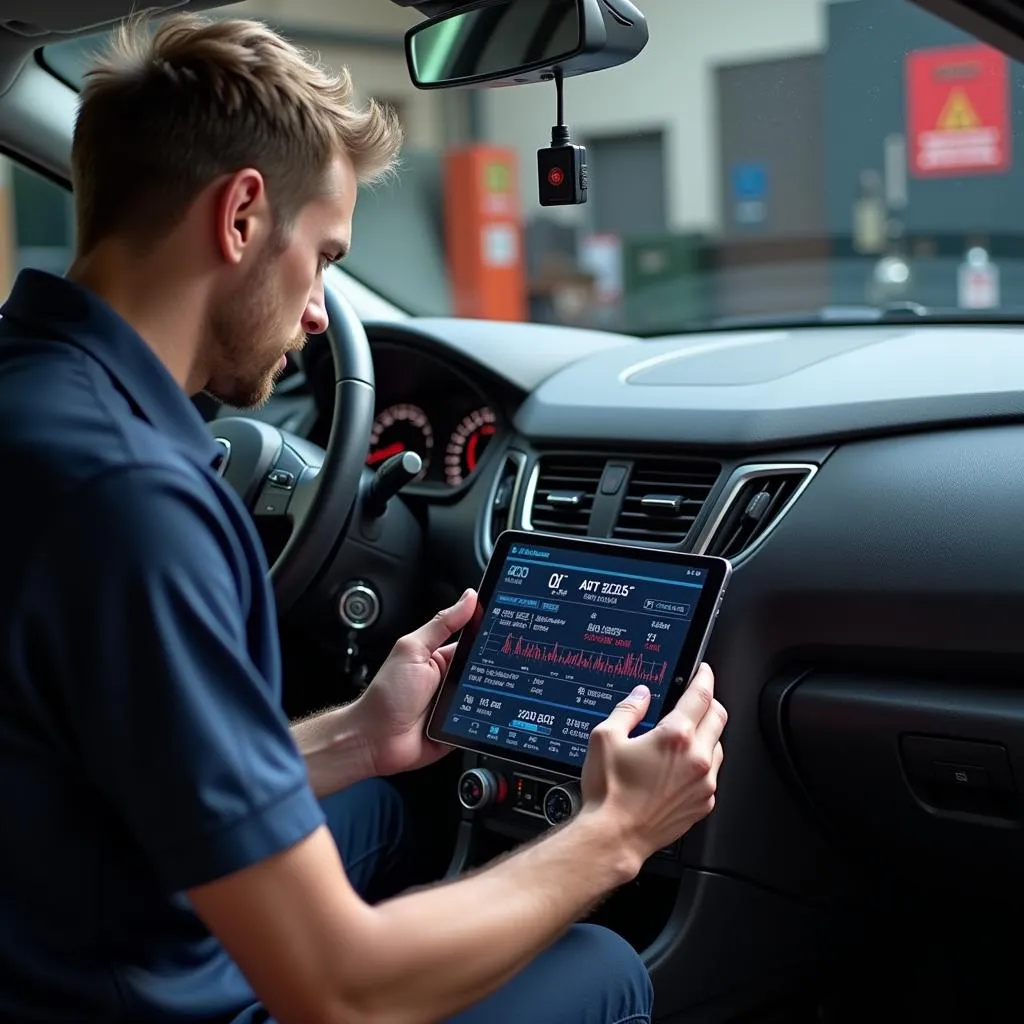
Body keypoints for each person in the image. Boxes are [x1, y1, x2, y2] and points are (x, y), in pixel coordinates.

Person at [0, 12, 728, 1024]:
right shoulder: (136, 502)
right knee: (601, 963)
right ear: (243, 215)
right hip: (130, 995)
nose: (317, 311)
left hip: (57, 923)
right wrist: (616, 830)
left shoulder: (35, 399)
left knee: (383, 804)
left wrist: (352, 735)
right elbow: (335, 987)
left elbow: (117, 762)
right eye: (327, 255)